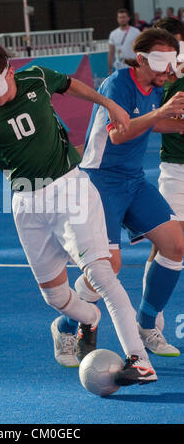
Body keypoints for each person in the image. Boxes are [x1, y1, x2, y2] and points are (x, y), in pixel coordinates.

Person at [0, 39, 157, 386]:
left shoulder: (36, 79)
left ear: (9, 71)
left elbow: (70, 85)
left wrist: (110, 105)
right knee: (55, 296)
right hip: (26, 204)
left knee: (103, 275)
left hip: (70, 188)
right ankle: (88, 318)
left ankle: (139, 361)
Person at [72, 28, 184, 361]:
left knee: (176, 245)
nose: (168, 70)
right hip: (100, 182)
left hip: (133, 181)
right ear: (141, 59)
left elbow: (147, 123)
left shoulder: (153, 87)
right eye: (162, 62)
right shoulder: (118, 84)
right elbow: (120, 134)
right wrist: (162, 113)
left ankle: (146, 325)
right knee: (109, 267)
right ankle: (67, 326)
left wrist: (177, 123)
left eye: (172, 62)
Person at [142, 17, 184, 334]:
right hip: (175, 171)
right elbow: (137, 123)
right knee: (168, 245)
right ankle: (150, 317)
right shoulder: (154, 83)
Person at [108, 8, 140, 75]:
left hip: (133, 66)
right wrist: (110, 69)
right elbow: (111, 52)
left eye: (124, 17)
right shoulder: (113, 34)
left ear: (128, 18)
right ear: (117, 19)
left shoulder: (136, 32)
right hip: (119, 66)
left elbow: (141, 50)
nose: (122, 19)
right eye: (120, 17)